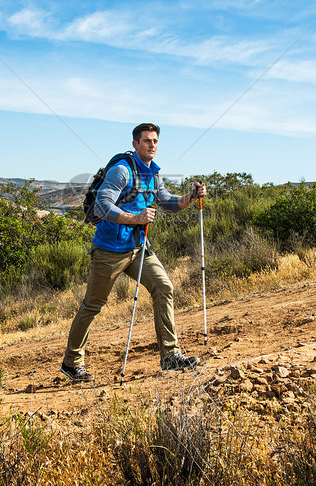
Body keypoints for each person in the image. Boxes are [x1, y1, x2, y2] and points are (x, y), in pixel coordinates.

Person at [60, 122, 207, 382]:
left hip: (139, 248)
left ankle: (170, 355)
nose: (152, 145)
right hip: (109, 250)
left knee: (164, 287)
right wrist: (135, 218)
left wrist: (190, 197)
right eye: (147, 141)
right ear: (135, 144)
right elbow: (102, 207)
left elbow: (167, 202)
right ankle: (72, 363)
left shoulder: (153, 173)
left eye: (155, 141)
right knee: (93, 305)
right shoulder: (122, 171)